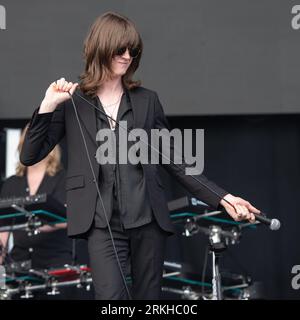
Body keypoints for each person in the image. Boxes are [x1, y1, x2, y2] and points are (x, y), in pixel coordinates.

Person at [19, 12, 260, 300]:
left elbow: (178, 162)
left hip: (147, 220)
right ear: (101, 47)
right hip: (100, 223)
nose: (126, 56)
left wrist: (223, 197)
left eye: (132, 50)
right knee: (112, 299)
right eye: (120, 49)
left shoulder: (147, 101)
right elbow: (30, 155)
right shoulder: (73, 102)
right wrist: (47, 106)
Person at [0, 125, 75, 299]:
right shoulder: (11, 184)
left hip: (55, 265)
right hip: (19, 267)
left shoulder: (64, 178)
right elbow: (2, 230)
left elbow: (72, 219)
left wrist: (39, 224)